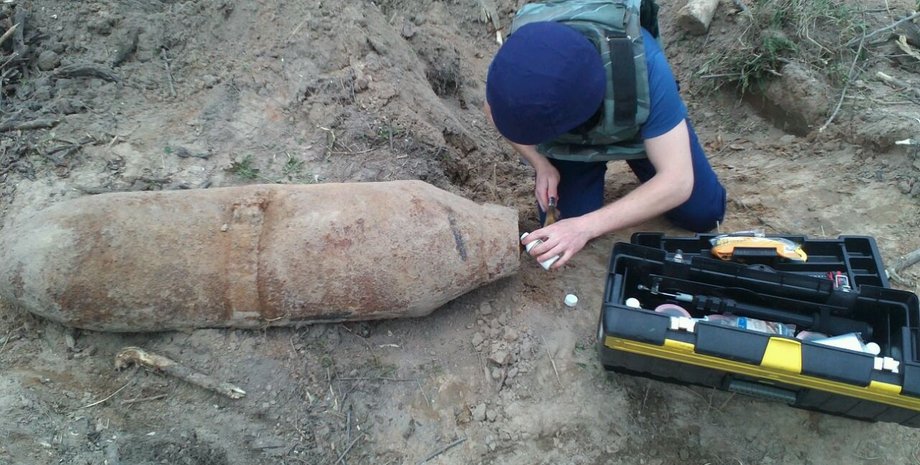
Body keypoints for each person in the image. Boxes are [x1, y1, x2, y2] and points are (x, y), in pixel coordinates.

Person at [485, 20, 726, 269]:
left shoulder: (643, 67)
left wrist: (585, 226)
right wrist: (542, 164)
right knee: (560, 225)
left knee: (703, 212)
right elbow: (492, 109)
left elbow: (678, 182)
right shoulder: (515, 69)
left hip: (637, 127)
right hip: (570, 133)